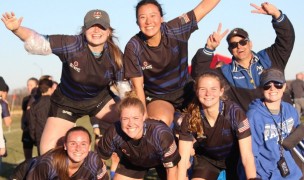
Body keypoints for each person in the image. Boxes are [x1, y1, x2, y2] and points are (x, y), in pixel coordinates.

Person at [1, 9, 124, 155]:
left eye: (102, 26)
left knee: (135, 122)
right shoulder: (72, 44)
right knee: (48, 153)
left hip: (99, 101)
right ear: (84, 30)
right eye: (92, 26)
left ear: (109, 31)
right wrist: (17, 29)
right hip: (67, 103)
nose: (96, 30)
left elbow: (125, 90)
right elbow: (38, 41)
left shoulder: (116, 56)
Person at [123, 0, 221, 126]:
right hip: (158, 96)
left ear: (161, 18)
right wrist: (144, 117)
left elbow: (202, 9)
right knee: (160, 123)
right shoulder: (133, 47)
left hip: (186, 89)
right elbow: (138, 87)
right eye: (143, 17)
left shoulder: (176, 29)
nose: (148, 22)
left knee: (208, 117)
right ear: (137, 22)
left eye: (153, 15)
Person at [191, 2, 295, 112]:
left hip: (285, 121)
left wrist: (277, 15)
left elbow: (286, 39)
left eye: (243, 42)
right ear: (230, 50)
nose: (239, 46)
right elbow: (199, 74)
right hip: (251, 126)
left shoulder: (269, 57)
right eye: (233, 45)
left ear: (250, 43)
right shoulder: (225, 73)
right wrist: (209, 48)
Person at [177, 71, 257, 180]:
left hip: (234, 159)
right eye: (203, 89)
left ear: (221, 91)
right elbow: (183, 160)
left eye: (213, 89)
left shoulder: (234, 113)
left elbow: (247, 156)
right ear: (196, 92)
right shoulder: (189, 117)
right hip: (208, 160)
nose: (208, 93)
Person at [98, 91, 181, 180]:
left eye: (135, 118)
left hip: (162, 162)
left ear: (143, 116)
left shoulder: (160, 133)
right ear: (119, 119)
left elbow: (171, 170)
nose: (131, 124)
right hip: (133, 162)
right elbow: (98, 161)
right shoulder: (114, 132)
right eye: (125, 119)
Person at [247, 68, 302, 179]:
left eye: (277, 84)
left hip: (293, 173)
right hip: (268, 175)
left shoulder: (290, 109)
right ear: (261, 89)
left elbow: (299, 140)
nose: (273, 88)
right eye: (267, 85)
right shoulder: (254, 116)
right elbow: (250, 154)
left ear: (284, 86)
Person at [11, 126, 109, 180]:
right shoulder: (49, 164)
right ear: (65, 146)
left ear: (89, 146)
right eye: (73, 143)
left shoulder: (95, 162)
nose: (78, 148)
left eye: (83, 144)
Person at [28, 78, 54, 155]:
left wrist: (34, 138)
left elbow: (32, 124)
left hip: (40, 137)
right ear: (50, 88)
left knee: (43, 161)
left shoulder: (34, 104)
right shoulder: (55, 103)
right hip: (54, 135)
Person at [20, 77, 38, 160]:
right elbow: (24, 114)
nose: (29, 87)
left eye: (31, 85)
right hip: (27, 130)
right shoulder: (25, 99)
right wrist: (23, 125)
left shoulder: (40, 99)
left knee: (42, 156)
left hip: (38, 130)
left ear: (37, 86)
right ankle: (28, 171)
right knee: (27, 159)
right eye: (28, 85)